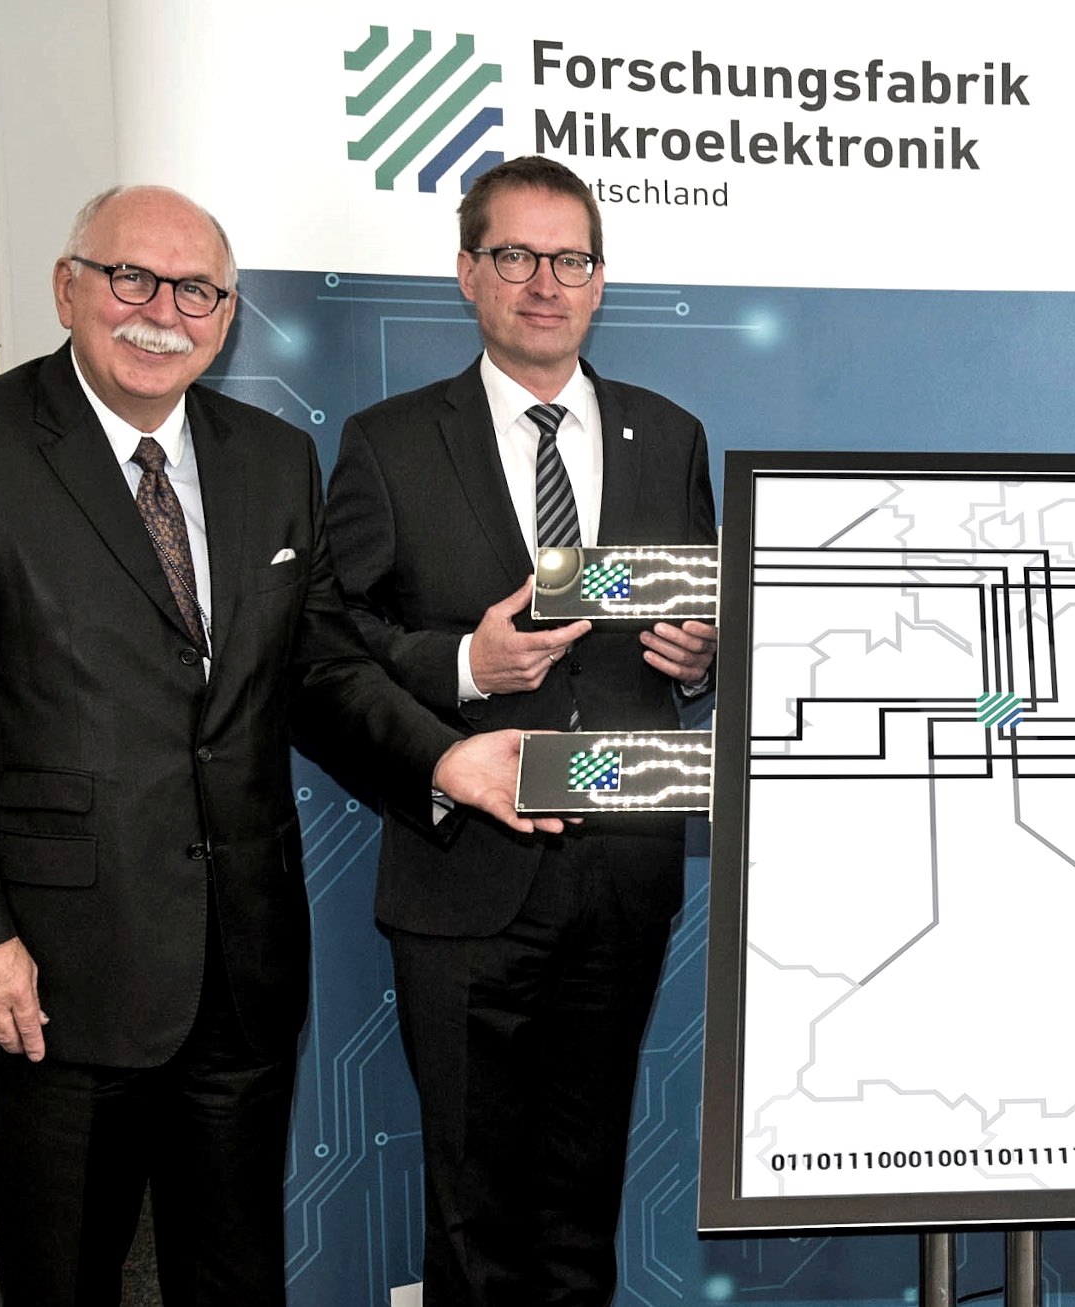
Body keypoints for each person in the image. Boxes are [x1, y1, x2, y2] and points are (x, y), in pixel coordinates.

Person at [0, 185, 551, 1307]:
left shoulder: (272, 457)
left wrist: (442, 759)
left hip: (240, 966)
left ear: (229, 314)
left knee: (235, 1276)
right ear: (67, 287)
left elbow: (321, 669)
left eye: (196, 290)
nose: (163, 311)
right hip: (52, 971)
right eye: (131, 278)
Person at [325, 155, 717, 1303]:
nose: (545, 283)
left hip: (623, 875)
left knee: (580, 1209)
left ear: (599, 279)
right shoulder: (392, 441)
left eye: (570, 260)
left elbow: (705, 617)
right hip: (465, 875)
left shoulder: (669, 435)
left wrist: (702, 660)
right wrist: (462, 664)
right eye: (515, 256)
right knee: (474, 1221)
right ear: (467, 272)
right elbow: (331, 639)